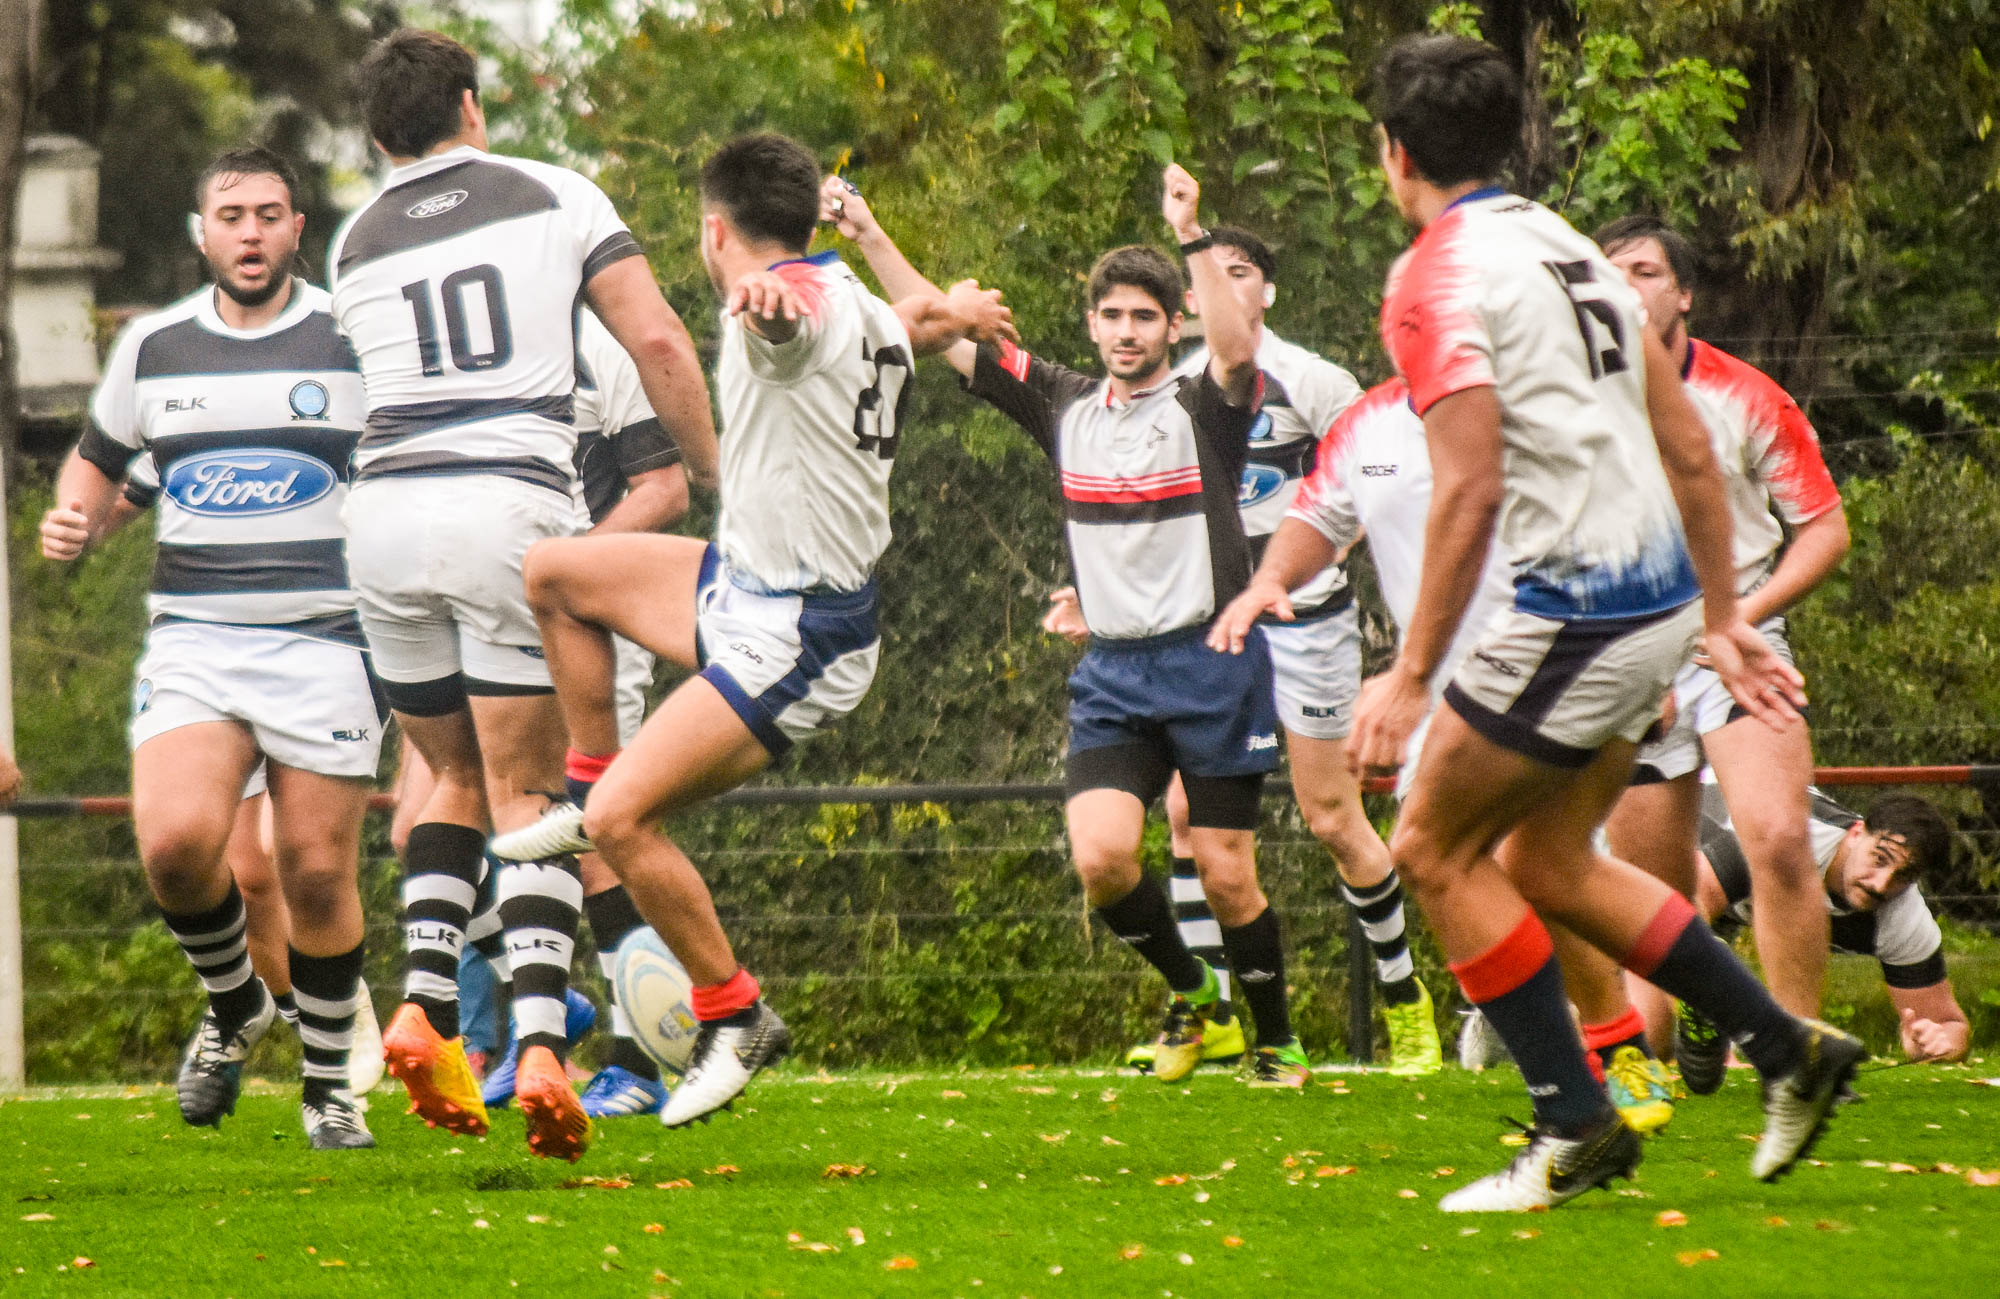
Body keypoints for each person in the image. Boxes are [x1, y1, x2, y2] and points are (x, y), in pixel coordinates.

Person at [1215, 35, 1857, 1211]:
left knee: (1426, 846)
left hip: (1574, 603)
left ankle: (1575, 1126)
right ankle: (1789, 1047)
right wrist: (1714, 616)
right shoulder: (1569, 247)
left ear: (1392, 154)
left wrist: (1407, 677)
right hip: (1653, 601)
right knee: (1547, 859)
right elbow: (1685, 451)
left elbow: (1465, 484)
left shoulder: (1432, 276)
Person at [488, 133, 1016, 1127]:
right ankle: (592, 781)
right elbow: (899, 314)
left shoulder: (791, 309)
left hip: (804, 639)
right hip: (746, 585)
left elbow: (788, 328)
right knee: (556, 574)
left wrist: (764, 311)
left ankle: (734, 1015)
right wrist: (960, 308)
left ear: (711, 230)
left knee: (619, 830)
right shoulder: (855, 304)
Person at [830, 164, 1310, 1087]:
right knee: (1100, 860)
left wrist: (1192, 234)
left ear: (1172, 326)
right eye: (1112, 315)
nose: (1127, 331)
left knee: (1226, 873)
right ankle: (1200, 999)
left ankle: (1277, 1039)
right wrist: (867, 232)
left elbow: (1238, 344)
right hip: (1116, 677)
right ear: (1091, 323)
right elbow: (940, 331)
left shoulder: (1207, 408)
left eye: (1145, 316)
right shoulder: (1061, 402)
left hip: (1213, 664)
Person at [330, 28, 718, 1160]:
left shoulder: (354, 239)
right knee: (529, 786)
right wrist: (709, 468)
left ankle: (420, 1004)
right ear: (470, 104)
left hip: (383, 518)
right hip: (504, 504)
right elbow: (651, 334)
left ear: (372, 135)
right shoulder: (555, 192)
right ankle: (545, 1048)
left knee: (444, 777)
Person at [40, 145, 380, 1149]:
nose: (250, 231)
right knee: (177, 846)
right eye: (230, 214)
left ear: (295, 229)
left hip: (329, 639)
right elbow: (98, 465)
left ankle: (329, 1090)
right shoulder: (155, 345)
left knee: (315, 871)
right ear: (201, 232)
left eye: (269, 213)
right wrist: (73, 520)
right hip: (196, 639)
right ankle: (236, 1005)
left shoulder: (352, 339)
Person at [1160, 224, 1439, 1076]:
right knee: (1181, 813)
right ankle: (1209, 1013)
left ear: (1266, 291)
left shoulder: (1314, 379)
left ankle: (1406, 1002)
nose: (1222, 285)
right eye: (1208, 273)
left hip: (1309, 624)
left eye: (1239, 271)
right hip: (1213, 627)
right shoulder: (1177, 385)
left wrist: (1329, 546)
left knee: (1331, 817)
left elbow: (1372, 479)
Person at [1597, 215, 1850, 1028]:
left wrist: (1737, 618)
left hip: (1740, 639)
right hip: (1629, 652)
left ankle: (1797, 1052)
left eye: (1643, 271)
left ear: (1685, 295)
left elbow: (1825, 528)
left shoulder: (1744, 394)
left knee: (1778, 837)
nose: (1625, 288)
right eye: (1609, 274)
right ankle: (1667, 1051)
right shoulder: (1571, 403)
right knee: (1653, 891)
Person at [470, 310, 693, 1120]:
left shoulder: (603, 348)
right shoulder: (471, 351)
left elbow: (666, 486)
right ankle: (547, 1014)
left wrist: (570, 573)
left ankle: (640, 1059)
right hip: (489, 622)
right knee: (444, 826)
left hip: (586, 625)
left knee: (601, 833)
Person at [115, 460, 387, 1098]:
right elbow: (128, 478)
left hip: (326, 641)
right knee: (239, 869)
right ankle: (242, 1011)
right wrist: (86, 513)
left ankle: (348, 1029)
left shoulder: (341, 385)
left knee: (295, 860)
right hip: (209, 652)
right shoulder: (190, 389)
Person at [1676, 784, 1966, 1086]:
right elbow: (1682, 903)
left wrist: (1937, 1045)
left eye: (1903, 876)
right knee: (1654, 1027)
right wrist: (1713, 997)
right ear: (1856, 834)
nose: (1881, 885)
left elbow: (1950, 1026)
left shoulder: (1904, 919)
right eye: (1880, 858)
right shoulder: (1787, 837)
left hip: (1729, 907)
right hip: (1671, 817)